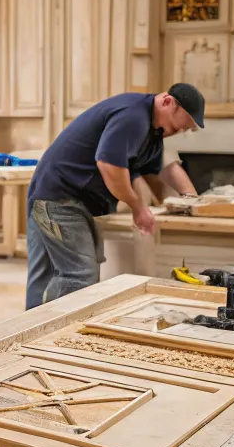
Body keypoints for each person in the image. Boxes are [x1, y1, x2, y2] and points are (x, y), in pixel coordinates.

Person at [24, 83, 205, 309]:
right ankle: (55, 335)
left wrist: (191, 203)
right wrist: (139, 208)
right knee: (79, 276)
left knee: (48, 274)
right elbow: (109, 164)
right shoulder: (133, 115)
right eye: (178, 126)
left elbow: (159, 171)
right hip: (60, 197)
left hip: (67, 197)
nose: (179, 131)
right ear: (167, 102)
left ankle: (32, 336)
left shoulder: (153, 132)